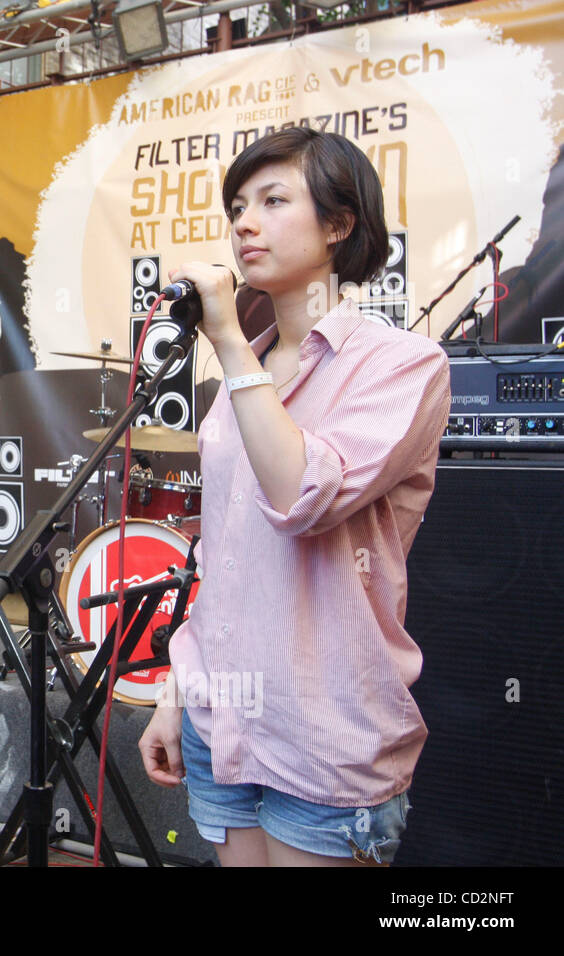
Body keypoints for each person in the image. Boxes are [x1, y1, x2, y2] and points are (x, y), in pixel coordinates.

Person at [136, 128, 451, 866]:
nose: (244, 222)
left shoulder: (404, 365)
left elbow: (303, 495)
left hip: (324, 733)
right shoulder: (244, 377)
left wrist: (230, 342)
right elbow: (228, 561)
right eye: (237, 205)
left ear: (339, 224)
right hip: (224, 725)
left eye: (273, 201)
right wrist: (178, 693)